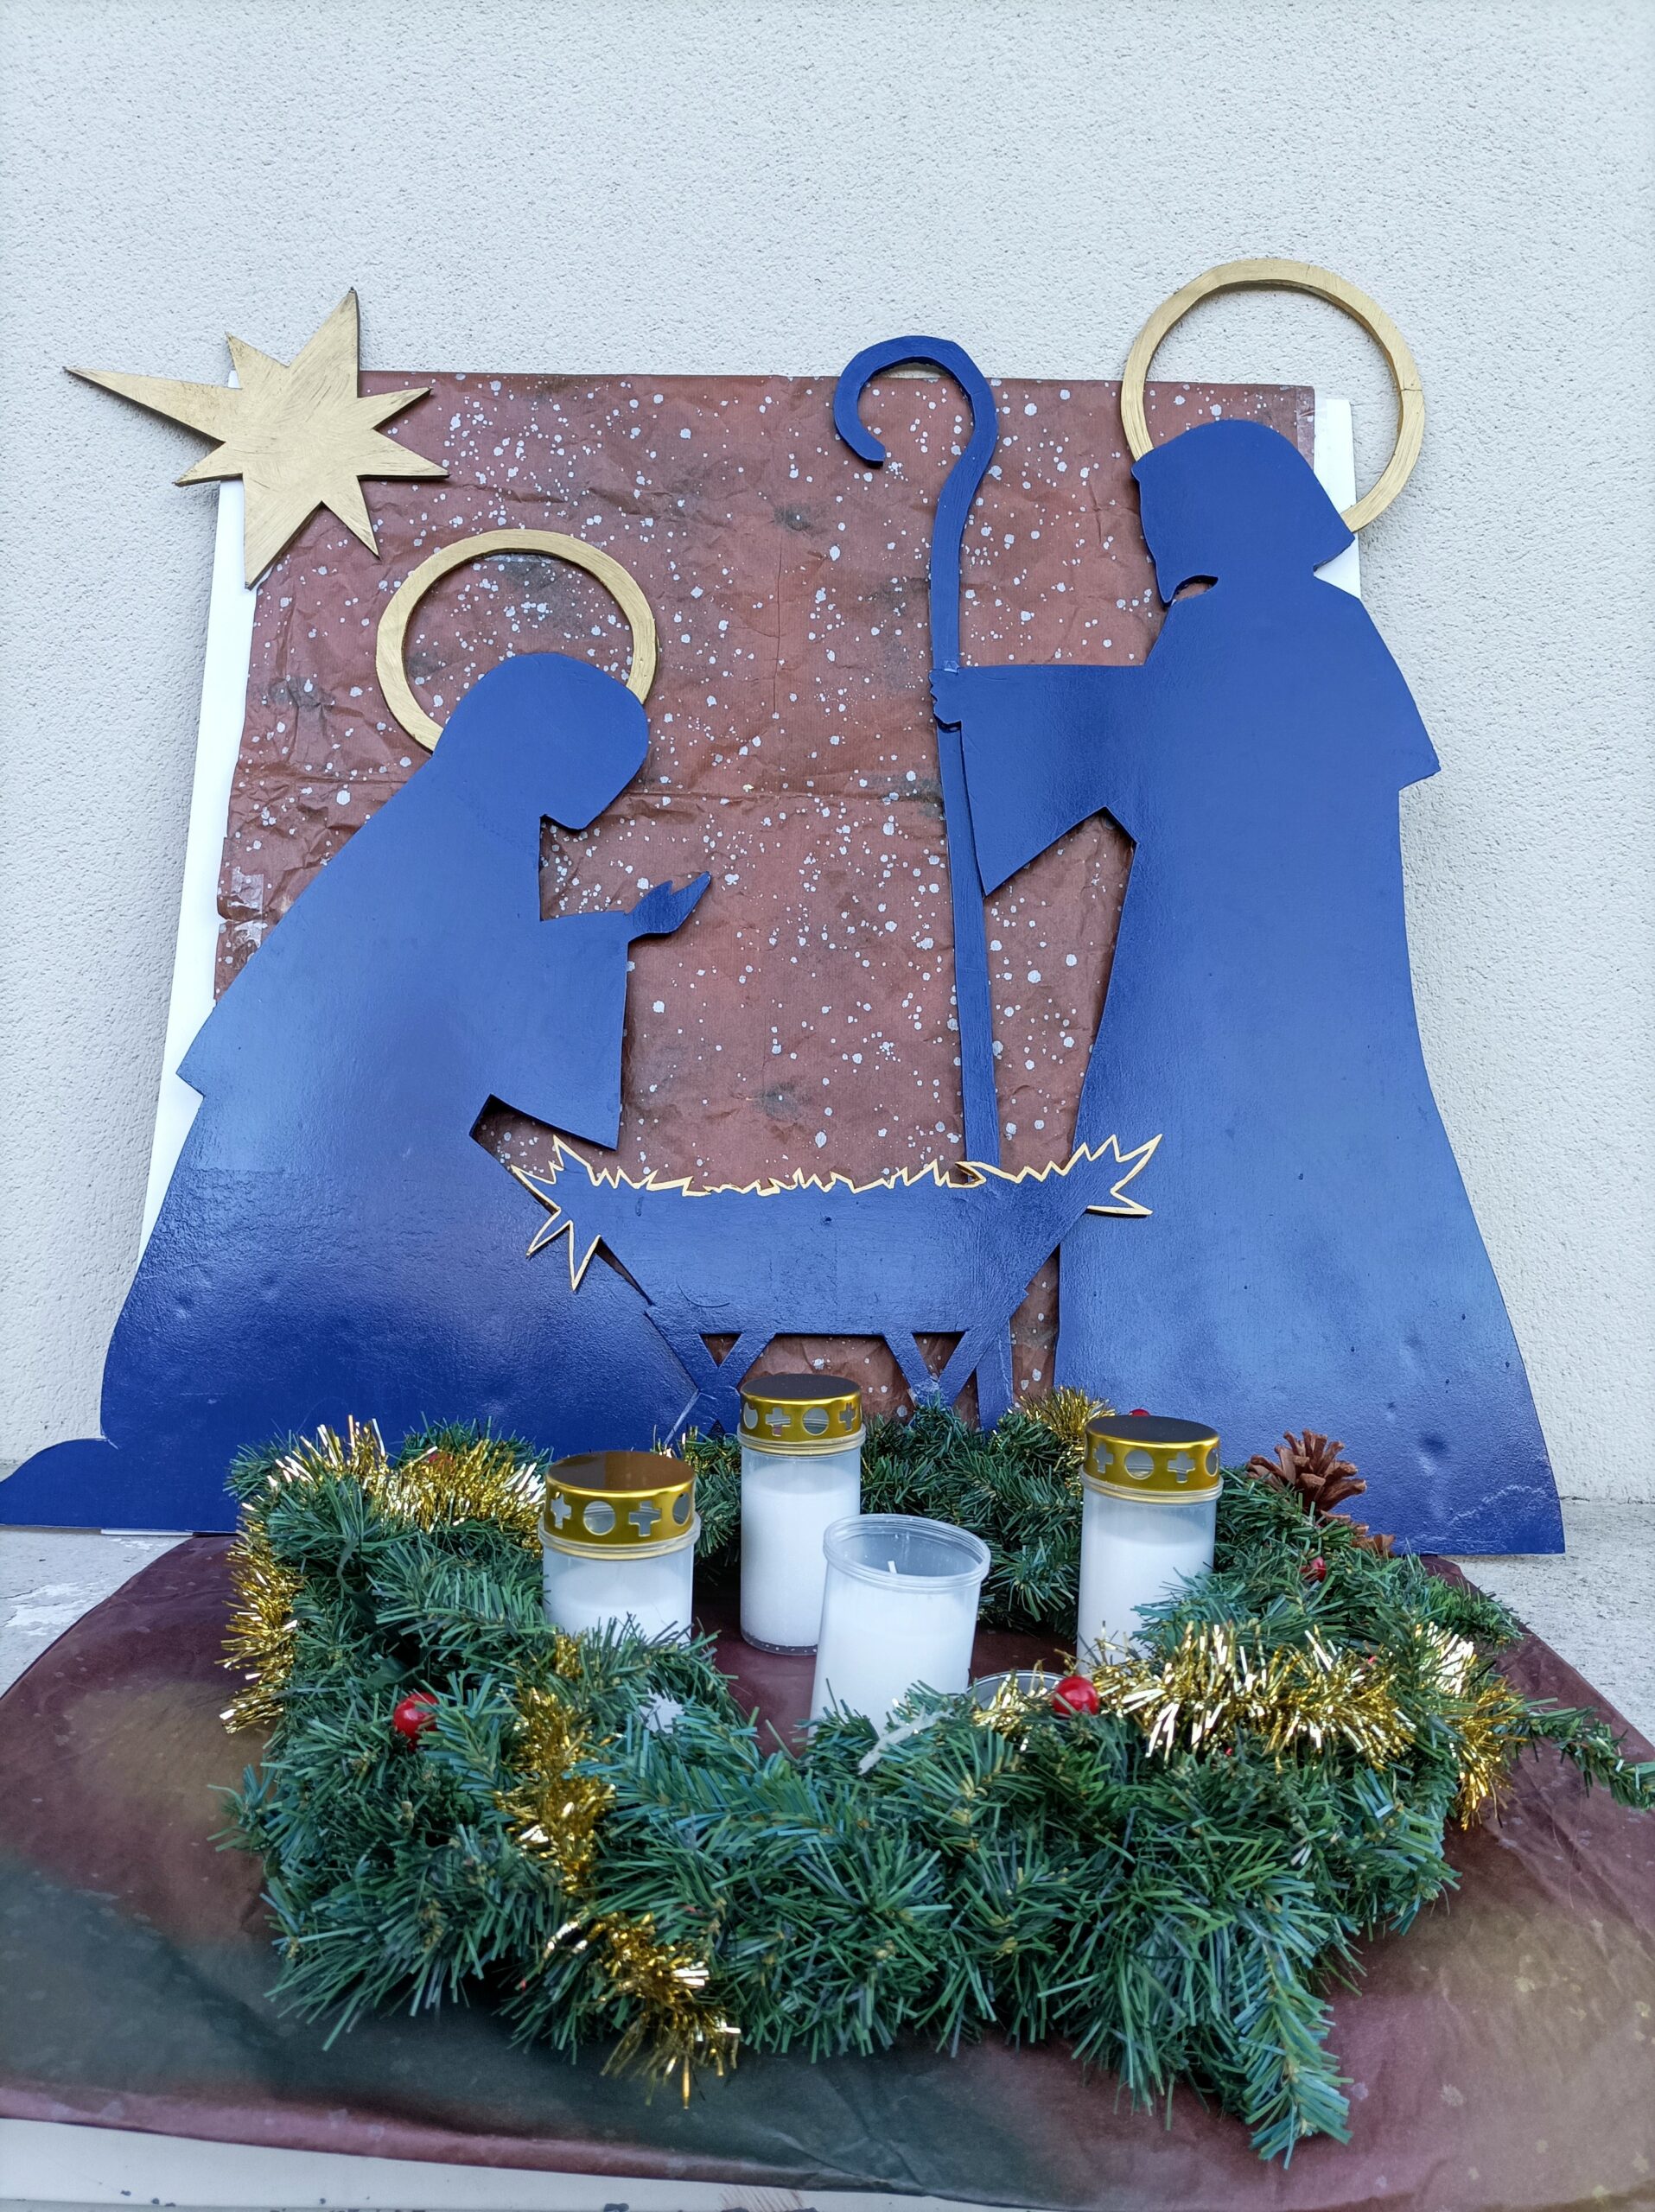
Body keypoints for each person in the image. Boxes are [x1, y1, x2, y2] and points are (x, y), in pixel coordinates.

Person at [939, 418, 1562, 1554]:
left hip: (1221, 965)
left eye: (1162, 519)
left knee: (1169, 1153)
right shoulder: (1322, 631)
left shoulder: (1231, 632)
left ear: (1221, 513)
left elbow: (1158, 760)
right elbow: (1178, 749)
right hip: (1306, 971)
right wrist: (1011, 709)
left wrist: (1001, 716)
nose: (1153, 544)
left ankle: (1174, 1441)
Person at [0, 652, 706, 1533]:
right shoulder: (457, 837)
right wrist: (607, 942)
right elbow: (457, 999)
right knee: (587, 1336)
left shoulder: (465, 826)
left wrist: (619, 930)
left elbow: (467, 986)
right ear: (542, 748)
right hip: (342, 1146)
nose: (607, 790)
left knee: (566, 1323)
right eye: (602, 762)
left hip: (374, 1137)